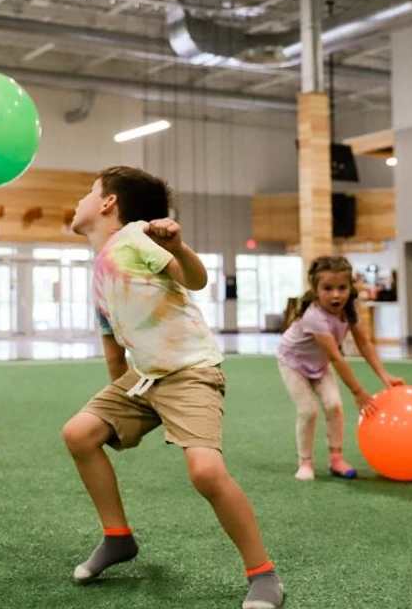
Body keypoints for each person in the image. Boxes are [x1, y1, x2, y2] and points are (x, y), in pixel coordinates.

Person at [62, 166, 284, 609]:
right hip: (143, 377)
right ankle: (118, 537)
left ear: (108, 203)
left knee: (205, 472)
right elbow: (112, 344)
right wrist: (121, 406)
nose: (80, 200)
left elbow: (195, 280)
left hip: (189, 371)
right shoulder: (101, 266)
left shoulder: (135, 236)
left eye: (89, 191)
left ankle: (264, 576)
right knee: (80, 434)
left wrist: (178, 246)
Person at [278, 255, 405, 481]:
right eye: (328, 288)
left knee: (334, 406)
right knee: (308, 410)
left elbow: (364, 343)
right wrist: (358, 392)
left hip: (319, 364)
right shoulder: (314, 317)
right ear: (316, 290)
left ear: (350, 288)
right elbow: (336, 358)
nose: (336, 294)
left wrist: (384, 376)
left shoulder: (350, 310)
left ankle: (336, 459)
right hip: (293, 364)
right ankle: (305, 462)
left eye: (342, 288)